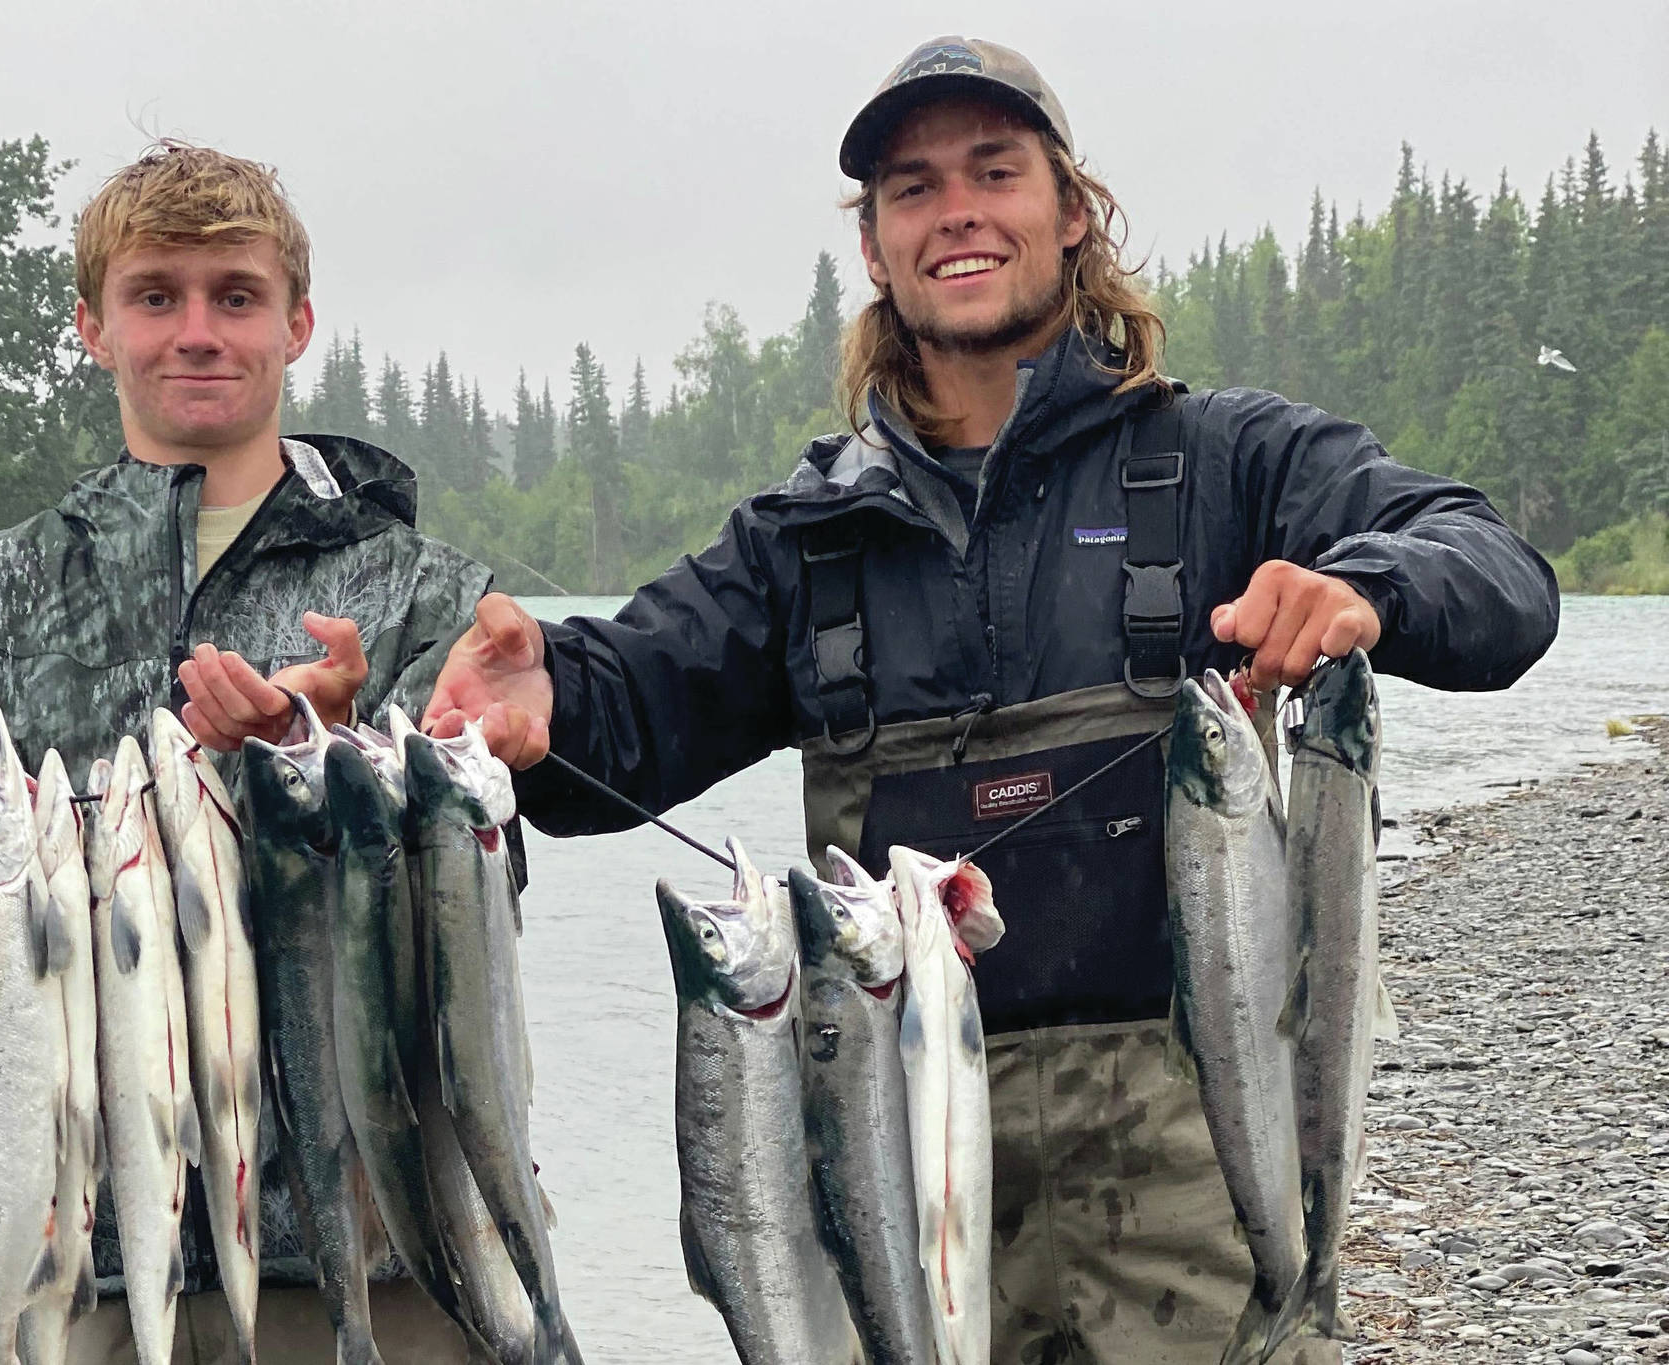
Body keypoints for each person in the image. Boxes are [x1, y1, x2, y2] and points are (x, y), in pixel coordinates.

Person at [423, 37, 1561, 1365]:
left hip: (1198, 1177)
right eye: (911, 187)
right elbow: (620, 712)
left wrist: (1367, 590)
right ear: (875, 246)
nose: (954, 209)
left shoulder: (1230, 462)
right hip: (886, 1160)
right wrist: (536, 700)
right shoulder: (803, 540)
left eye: (993, 170)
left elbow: (1499, 576)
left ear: (1073, 212)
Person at [0, 143, 486, 1363]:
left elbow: (473, 880)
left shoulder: (419, 597)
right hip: (43, 1258)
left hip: (360, 1253)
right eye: (156, 296)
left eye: (234, 296)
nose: (197, 330)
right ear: (93, 326)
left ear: (296, 325)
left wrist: (334, 751)